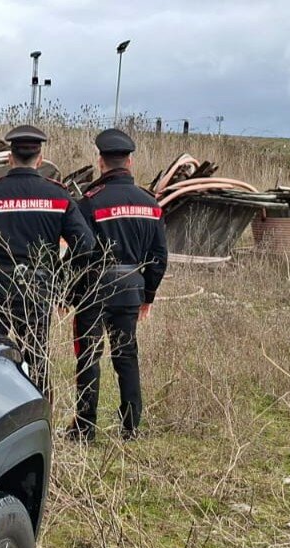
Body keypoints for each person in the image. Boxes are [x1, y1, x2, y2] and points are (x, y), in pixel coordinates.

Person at [0, 125, 94, 399]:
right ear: (40, 160)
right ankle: (39, 415)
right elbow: (86, 244)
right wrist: (58, 280)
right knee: (36, 360)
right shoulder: (58, 196)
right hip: (38, 287)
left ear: (10, 158)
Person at [68, 128, 167, 442]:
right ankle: (131, 427)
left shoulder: (89, 203)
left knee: (88, 357)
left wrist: (69, 293)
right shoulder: (150, 203)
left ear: (100, 162)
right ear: (130, 162)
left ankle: (84, 429)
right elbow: (159, 256)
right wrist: (148, 296)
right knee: (126, 358)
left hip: (94, 290)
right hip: (130, 288)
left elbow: (78, 252)